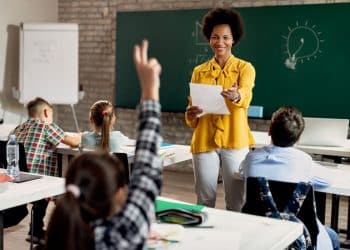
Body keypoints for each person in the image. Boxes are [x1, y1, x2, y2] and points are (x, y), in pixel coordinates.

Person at [45, 39, 162, 250]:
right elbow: (146, 172)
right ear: (119, 193)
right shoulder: (121, 235)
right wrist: (150, 90)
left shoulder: (59, 235)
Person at [240, 106, 340, 250]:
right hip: (300, 237)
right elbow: (328, 181)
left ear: (269, 131)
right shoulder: (305, 162)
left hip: (258, 234)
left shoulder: (252, 158)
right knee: (333, 236)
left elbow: (242, 170)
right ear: (298, 138)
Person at [185, 7, 255, 211]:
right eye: (215, 37)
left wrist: (237, 95)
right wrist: (190, 113)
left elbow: (247, 93)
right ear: (209, 38)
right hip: (205, 139)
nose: (220, 42)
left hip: (235, 140)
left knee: (236, 202)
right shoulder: (199, 71)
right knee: (204, 201)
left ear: (234, 39)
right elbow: (192, 115)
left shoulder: (245, 68)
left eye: (226, 37)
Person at [12, 97, 81, 245]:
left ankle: (35, 232)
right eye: (52, 114)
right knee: (44, 198)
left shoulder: (19, 128)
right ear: (45, 112)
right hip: (38, 181)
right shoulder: (46, 126)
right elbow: (74, 142)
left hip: (19, 179)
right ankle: (37, 231)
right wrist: (80, 135)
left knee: (40, 200)